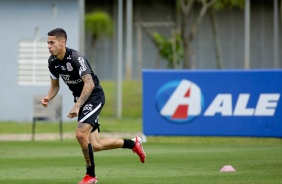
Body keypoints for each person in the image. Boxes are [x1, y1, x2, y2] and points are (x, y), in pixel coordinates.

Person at [41, 28, 146, 184]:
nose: (48, 46)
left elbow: (89, 84)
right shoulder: (52, 62)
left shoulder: (76, 58)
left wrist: (77, 106)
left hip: (94, 97)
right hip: (81, 99)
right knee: (95, 145)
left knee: (80, 134)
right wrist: (48, 96)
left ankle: (90, 176)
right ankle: (133, 143)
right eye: (48, 43)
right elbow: (55, 85)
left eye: (52, 42)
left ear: (62, 42)